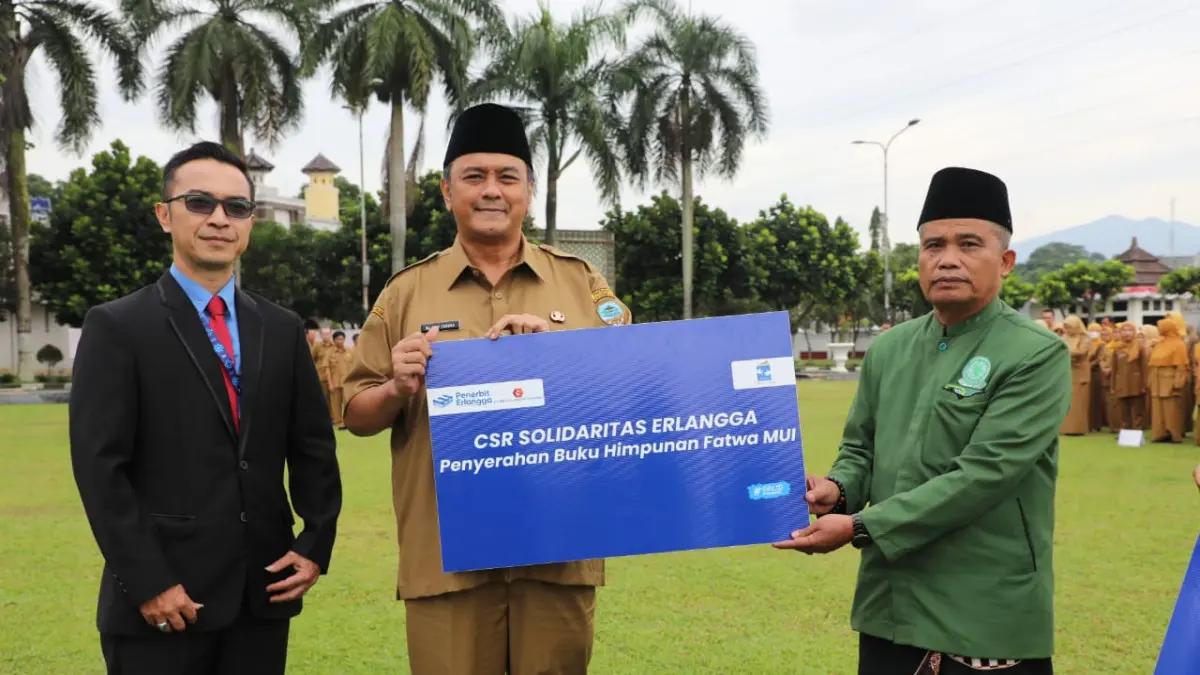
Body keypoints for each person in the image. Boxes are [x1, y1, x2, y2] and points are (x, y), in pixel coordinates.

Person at [341, 102, 633, 675]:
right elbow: (355, 411)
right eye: (474, 177)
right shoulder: (405, 294)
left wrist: (558, 353)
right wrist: (398, 386)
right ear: (448, 192)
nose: (491, 191)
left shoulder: (580, 283)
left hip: (557, 553)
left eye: (507, 176)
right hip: (447, 563)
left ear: (528, 190)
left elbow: (633, 385)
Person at [775, 167, 1069, 675]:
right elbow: (860, 448)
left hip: (981, 609)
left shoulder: (1035, 354)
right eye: (933, 245)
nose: (947, 258)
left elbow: (983, 476)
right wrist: (838, 491)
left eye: (968, 244)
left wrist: (860, 525)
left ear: (1005, 262)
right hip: (891, 605)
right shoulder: (890, 348)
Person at [68, 141, 343, 675]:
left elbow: (312, 446)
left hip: (261, 597)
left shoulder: (281, 328)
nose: (220, 219)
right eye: (200, 203)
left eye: (236, 207)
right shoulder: (119, 326)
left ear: (250, 223)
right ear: (164, 215)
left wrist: (315, 541)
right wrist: (149, 582)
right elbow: (101, 470)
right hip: (165, 605)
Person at [1148, 318, 1189, 443]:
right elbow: (1153, 362)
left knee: (1171, 408)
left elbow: (1181, 366)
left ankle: (1174, 434)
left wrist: (1178, 383)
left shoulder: (1179, 344)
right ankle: (1159, 433)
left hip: (1169, 378)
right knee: (1157, 407)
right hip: (1157, 378)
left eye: (1161, 326)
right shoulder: (1160, 343)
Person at [1059, 316, 1091, 436]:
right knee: (1068, 401)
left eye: (1069, 327)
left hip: (1080, 373)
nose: (1067, 330)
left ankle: (1078, 428)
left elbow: (1082, 352)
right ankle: (1066, 428)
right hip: (1068, 371)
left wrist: (1066, 352)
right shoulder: (1065, 337)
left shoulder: (1085, 338)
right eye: (1065, 327)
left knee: (1078, 402)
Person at [322, 330, 353, 430]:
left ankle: (348, 422)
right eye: (338, 339)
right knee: (336, 405)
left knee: (348, 404)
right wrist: (330, 383)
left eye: (342, 339)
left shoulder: (350, 351)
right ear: (334, 340)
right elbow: (326, 368)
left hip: (347, 383)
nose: (341, 341)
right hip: (335, 383)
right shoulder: (329, 352)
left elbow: (355, 366)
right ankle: (339, 423)